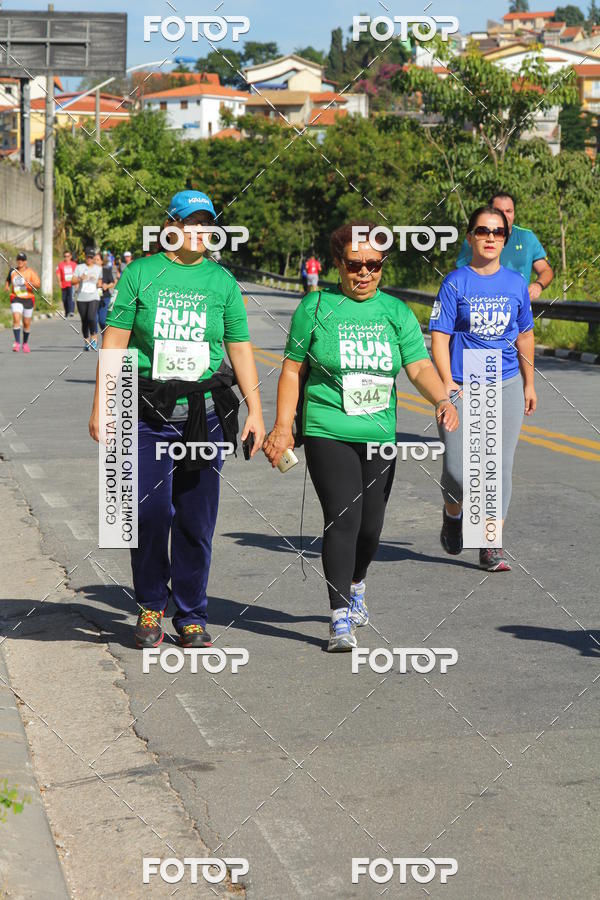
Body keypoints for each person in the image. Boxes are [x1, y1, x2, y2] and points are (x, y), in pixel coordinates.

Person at [263, 221, 459, 652]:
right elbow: (293, 369)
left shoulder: (395, 312)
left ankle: (356, 585)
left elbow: (420, 368)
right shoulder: (314, 308)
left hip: (378, 431)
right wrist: (282, 425)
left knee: (371, 527)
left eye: (374, 264)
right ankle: (338, 618)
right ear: (338, 264)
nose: (365, 273)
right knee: (343, 517)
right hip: (327, 428)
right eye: (355, 265)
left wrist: (441, 399)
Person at [88, 189, 266, 650]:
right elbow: (115, 341)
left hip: (203, 415)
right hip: (145, 410)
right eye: (190, 221)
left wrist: (256, 410)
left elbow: (240, 349)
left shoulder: (222, 282)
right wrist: (101, 405)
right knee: (147, 512)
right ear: (171, 225)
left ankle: (191, 614)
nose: (199, 230)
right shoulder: (141, 273)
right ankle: (150, 604)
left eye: (207, 222)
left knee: (195, 518)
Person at [430, 205, 536, 572]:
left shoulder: (515, 283)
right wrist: (445, 384)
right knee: (458, 471)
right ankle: (452, 514)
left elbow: (524, 334)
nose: (491, 237)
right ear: (470, 236)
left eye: (498, 232)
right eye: (483, 231)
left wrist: (529, 382)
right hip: (462, 379)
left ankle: (490, 543)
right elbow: (439, 337)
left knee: (498, 465)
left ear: (506, 239)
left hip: (504, 379)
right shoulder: (455, 282)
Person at [456, 191, 553, 300]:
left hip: (517, 308)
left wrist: (538, 285)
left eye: (509, 211)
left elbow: (545, 270)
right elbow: (462, 274)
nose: (504, 215)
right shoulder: (477, 237)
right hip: (481, 305)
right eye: (499, 211)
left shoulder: (527, 237)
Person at [6, 252, 40, 353]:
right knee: (16, 319)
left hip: (28, 299)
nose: (20, 261)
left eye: (22, 260)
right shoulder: (13, 271)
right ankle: (17, 343)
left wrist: (29, 283)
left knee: (26, 323)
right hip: (16, 298)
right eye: (18, 260)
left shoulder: (31, 272)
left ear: (25, 262)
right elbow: (8, 279)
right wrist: (7, 286)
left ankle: (25, 343)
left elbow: (38, 284)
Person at [72, 248, 102, 350]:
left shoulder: (98, 268)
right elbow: (72, 281)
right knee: (84, 320)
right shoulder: (79, 267)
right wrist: (80, 278)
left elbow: (100, 281)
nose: (89, 259)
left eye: (91, 257)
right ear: (85, 257)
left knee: (91, 317)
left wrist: (100, 285)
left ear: (93, 258)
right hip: (81, 297)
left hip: (94, 296)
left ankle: (94, 337)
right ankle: (86, 341)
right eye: (87, 257)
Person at [98, 251, 118, 338]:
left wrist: (106, 285)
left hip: (105, 297)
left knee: (102, 321)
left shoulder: (106, 270)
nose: (95, 261)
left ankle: (105, 336)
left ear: (102, 261)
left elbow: (113, 283)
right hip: (91, 298)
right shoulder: (88, 271)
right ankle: (92, 339)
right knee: (92, 320)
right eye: (94, 259)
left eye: (97, 260)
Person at [55, 250, 76, 317]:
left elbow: (77, 274)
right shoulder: (60, 265)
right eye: (65, 256)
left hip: (72, 284)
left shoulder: (74, 264)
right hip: (64, 284)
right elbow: (58, 273)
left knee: (71, 297)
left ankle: (71, 311)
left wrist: (77, 283)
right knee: (64, 299)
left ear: (70, 257)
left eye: (68, 256)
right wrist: (59, 282)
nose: (66, 258)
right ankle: (67, 311)